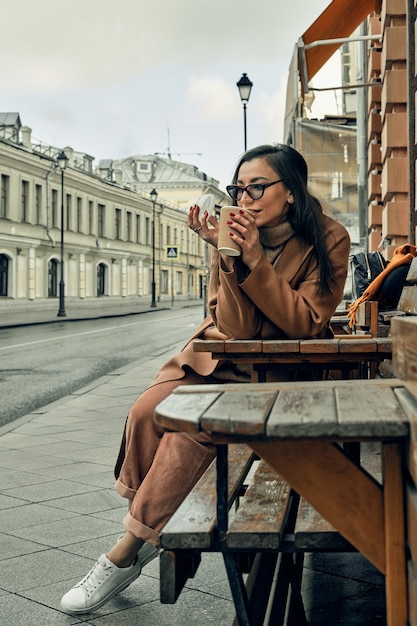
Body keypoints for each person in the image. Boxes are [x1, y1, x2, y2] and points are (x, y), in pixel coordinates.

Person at [60, 143, 350, 614]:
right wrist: (227, 256)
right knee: (145, 412)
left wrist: (254, 262)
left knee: (187, 432)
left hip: (273, 378)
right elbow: (234, 328)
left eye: (258, 186)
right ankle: (154, 523)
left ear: (291, 192)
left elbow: (304, 323)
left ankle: (125, 552)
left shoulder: (329, 239)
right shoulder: (234, 236)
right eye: (239, 188)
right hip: (216, 359)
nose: (246, 198)